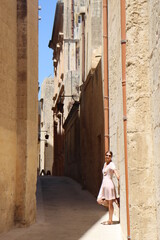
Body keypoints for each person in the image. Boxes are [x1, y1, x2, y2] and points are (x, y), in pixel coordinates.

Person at [97, 151, 120, 225]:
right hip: (104, 185)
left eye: (109, 156)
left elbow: (115, 171)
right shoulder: (105, 164)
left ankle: (110, 220)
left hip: (109, 185)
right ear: (105, 156)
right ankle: (115, 200)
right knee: (99, 200)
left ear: (111, 157)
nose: (108, 156)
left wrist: (119, 178)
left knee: (110, 204)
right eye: (107, 155)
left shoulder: (112, 164)